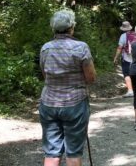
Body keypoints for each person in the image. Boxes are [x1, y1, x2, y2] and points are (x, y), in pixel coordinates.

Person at [39, 10, 96, 166]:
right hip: (75, 104)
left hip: (48, 103)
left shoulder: (46, 48)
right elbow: (91, 78)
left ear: (53, 28)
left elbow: (46, 75)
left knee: (51, 152)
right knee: (73, 152)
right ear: (71, 27)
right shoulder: (81, 47)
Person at [113, 21, 136, 98]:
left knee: (126, 74)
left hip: (126, 57)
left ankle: (130, 91)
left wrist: (115, 57)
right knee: (135, 73)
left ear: (123, 28)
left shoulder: (123, 36)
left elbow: (119, 48)